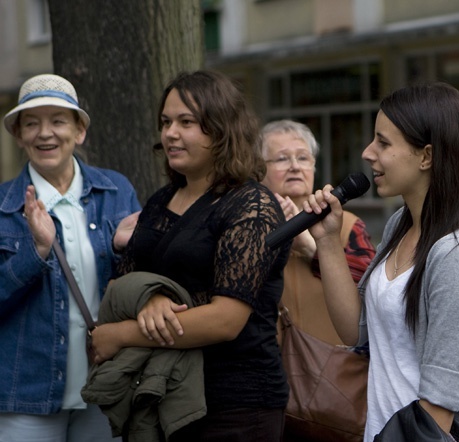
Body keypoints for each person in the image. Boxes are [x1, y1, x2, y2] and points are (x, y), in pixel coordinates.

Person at [89, 70, 291, 441]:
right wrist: (149, 298)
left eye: (187, 122)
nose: (170, 133)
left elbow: (225, 320)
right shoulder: (160, 201)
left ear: (221, 129)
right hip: (163, 396)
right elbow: (120, 286)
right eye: (166, 122)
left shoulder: (252, 205)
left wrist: (122, 334)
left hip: (235, 404)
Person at [302, 82, 459, 441]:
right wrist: (328, 242)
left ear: (426, 156)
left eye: (383, 142)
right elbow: (356, 331)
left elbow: (439, 406)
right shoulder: (401, 223)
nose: (368, 153)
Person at [0, 74, 141, 441]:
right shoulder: (2, 207)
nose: (45, 133)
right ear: (19, 136)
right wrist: (37, 252)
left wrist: (122, 251)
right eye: (31, 123)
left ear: (79, 131)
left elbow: (140, 280)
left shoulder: (116, 190)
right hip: (25, 395)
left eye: (58, 121)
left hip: (106, 384)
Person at [260, 119, 375, 346]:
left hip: (335, 370)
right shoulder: (246, 226)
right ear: (259, 169)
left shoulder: (348, 224)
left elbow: (371, 292)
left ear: (313, 166)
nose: (295, 166)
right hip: (268, 368)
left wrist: (311, 248)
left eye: (303, 158)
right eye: (282, 158)